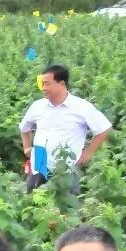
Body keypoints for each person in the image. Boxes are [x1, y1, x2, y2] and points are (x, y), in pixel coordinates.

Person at [20, 65, 111, 193]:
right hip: (39, 162)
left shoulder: (81, 107)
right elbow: (24, 128)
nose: (43, 88)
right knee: (32, 198)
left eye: (47, 84)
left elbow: (104, 128)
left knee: (67, 204)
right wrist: (27, 148)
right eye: (42, 84)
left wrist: (88, 152)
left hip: (66, 167)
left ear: (61, 84)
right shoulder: (38, 106)